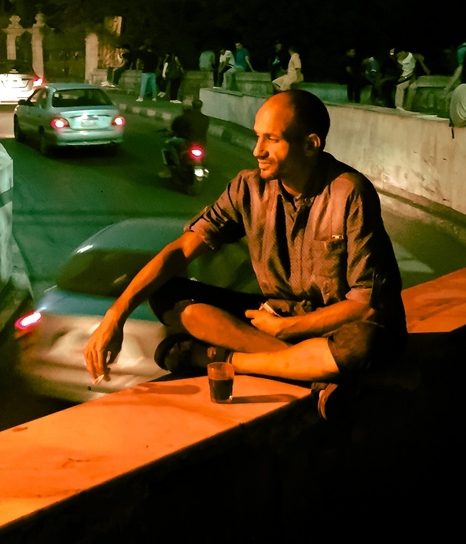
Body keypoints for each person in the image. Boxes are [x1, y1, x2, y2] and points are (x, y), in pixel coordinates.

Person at [85, 90, 406, 419]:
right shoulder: (247, 188)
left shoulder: (348, 192)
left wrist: (289, 329)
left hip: (332, 328)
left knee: (363, 343)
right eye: (257, 137)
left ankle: (224, 360)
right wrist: (116, 316)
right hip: (276, 319)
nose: (257, 151)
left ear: (311, 145)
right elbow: (182, 249)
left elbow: (363, 304)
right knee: (167, 293)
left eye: (272, 139)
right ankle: (312, 372)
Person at [159, 99, 210, 179]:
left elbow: (174, 129)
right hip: (201, 144)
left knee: (168, 143)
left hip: (188, 142)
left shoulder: (184, 118)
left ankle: (170, 168)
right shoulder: (206, 118)